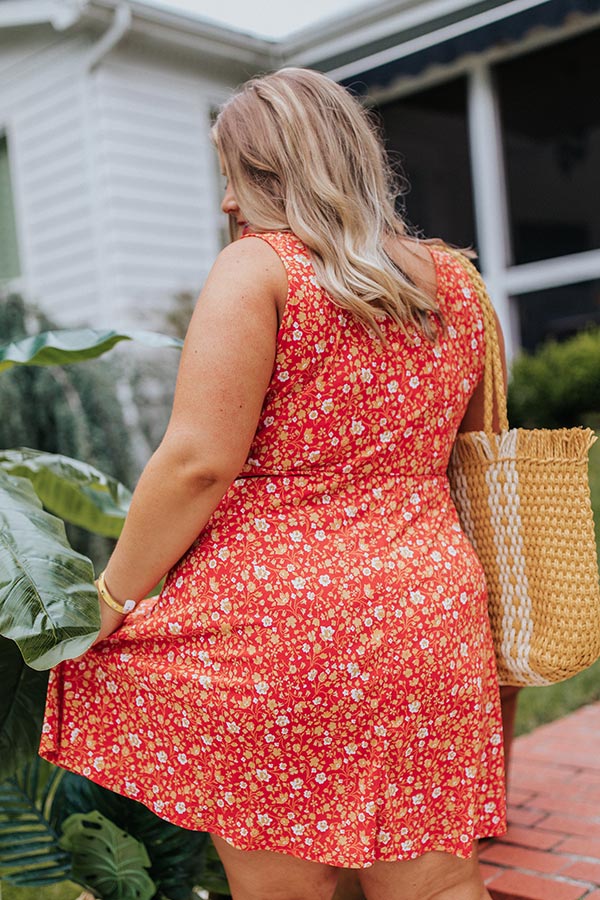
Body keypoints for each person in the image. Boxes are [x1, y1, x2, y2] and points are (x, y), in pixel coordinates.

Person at [40, 67, 507, 900]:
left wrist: (109, 598)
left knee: (287, 888)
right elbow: (469, 454)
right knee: (439, 880)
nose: (226, 202)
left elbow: (197, 463)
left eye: (237, 177)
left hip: (277, 632)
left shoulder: (259, 270)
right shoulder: (459, 285)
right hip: (430, 613)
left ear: (285, 172)